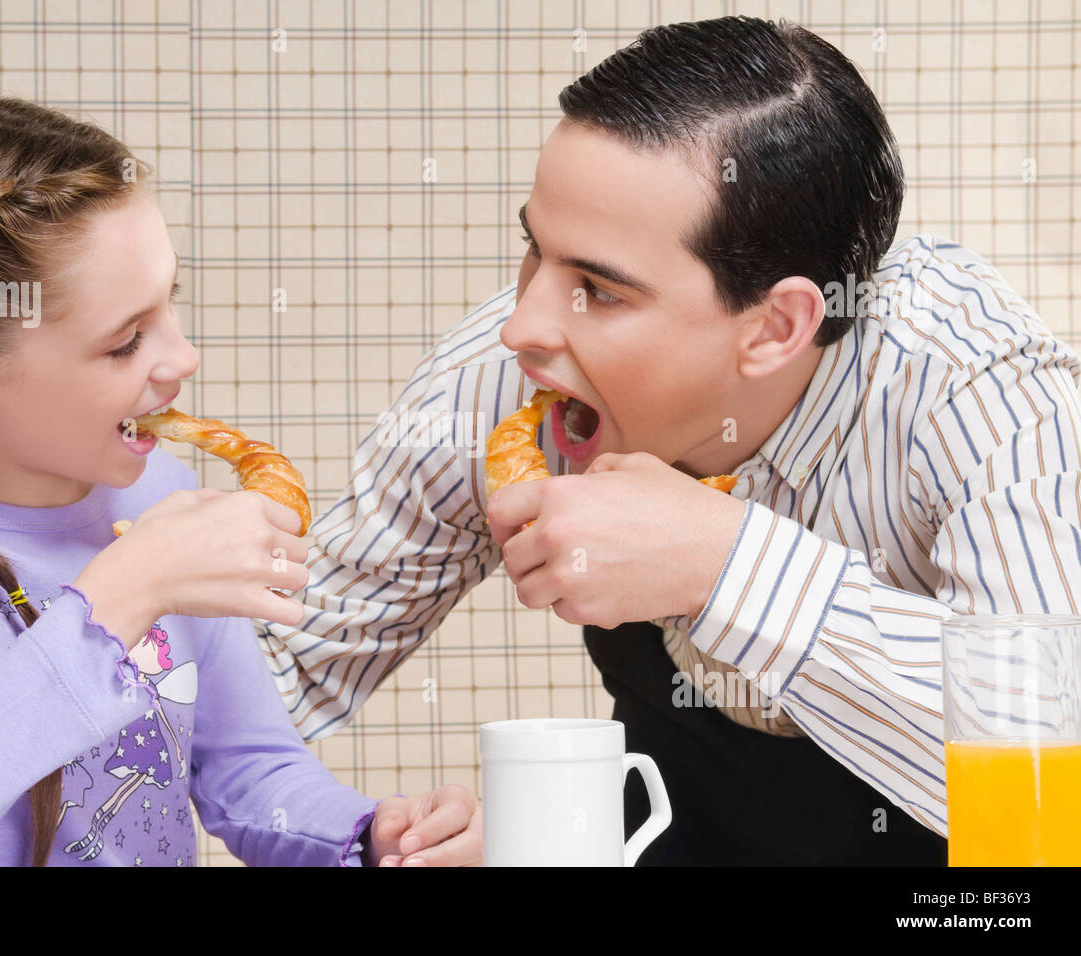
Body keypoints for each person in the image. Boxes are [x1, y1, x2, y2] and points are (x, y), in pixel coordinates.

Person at [252, 16, 1081, 864]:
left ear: (777, 326)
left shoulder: (971, 383)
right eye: (534, 250)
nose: (521, 326)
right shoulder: (513, 376)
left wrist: (724, 563)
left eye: (600, 291)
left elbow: (1048, 798)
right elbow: (282, 676)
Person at [0, 92, 480, 867]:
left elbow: (250, 773)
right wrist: (122, 595)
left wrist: (367, 836)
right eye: (125, 342)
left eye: (170, 308)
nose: (181, 358)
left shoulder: (162, 498)